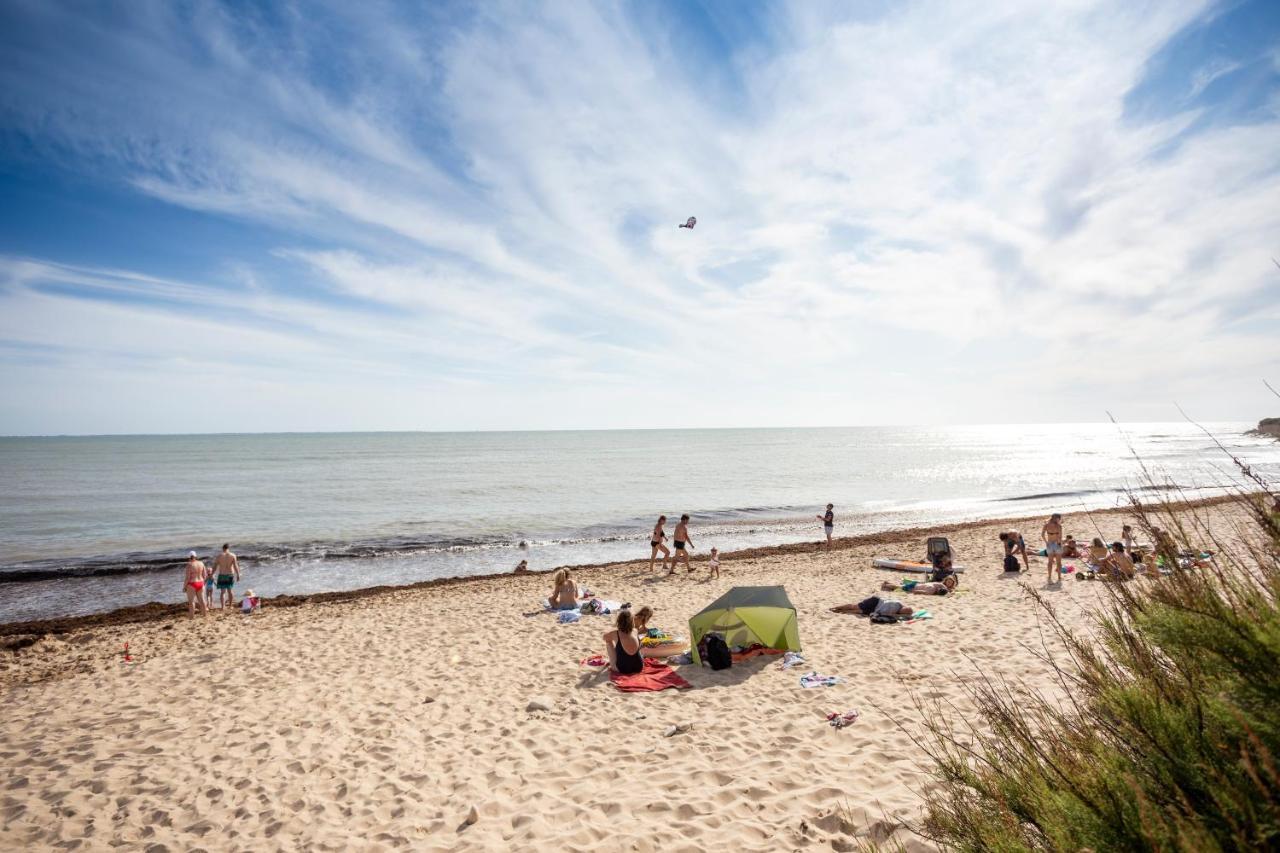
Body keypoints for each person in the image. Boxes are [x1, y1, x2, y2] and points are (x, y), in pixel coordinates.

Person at [603, 609, 644, 675]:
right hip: (639, 667)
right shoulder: (635, 631)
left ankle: (612, 662)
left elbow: (604, 637)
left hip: (623, 669)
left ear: (619, 621)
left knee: (608, 642)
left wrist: (612, 632)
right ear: (632, 621)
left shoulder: (616, 633)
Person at [213, 544, 240, 610]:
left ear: (223, 548)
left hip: (222, 575)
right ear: (228, 548)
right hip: (230, 574)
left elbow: (215, 566)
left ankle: (223, 607)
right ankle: (230, 606)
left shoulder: (219, 556)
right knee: (230, 591)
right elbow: (235, 566)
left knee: (223, 592)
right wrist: (238, 574)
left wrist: (211, 574)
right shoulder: (233, 555)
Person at [183, 551, 209, 619]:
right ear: (196, 556)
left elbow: (187, 578)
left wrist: (184, 587)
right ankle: (204, 615)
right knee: (202, 601)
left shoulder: (189, 565)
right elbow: (205, 575)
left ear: (189, 557)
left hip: (192, 584)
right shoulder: (201, 563)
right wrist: (203, 583)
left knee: (191, 602)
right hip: (201, 583)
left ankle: (191, 617)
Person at [881, 574, 957, 595]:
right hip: (914, 586)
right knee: (898, 587)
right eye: (948, 582)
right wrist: (911, 591)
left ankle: (887, 583)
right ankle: (885, 585)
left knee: (899, 586)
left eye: (950, 583)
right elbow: (918, 592)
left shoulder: (939, 585)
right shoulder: (940, 586)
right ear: (945, 581)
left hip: (916, 584)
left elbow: (950, 590)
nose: (949, 583)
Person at [1041, 513, 1063, 584]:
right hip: (1057, 544)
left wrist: (1046, 542)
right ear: (1056, 518)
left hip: (1049, 544)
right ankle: (1059, 577)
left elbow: (1042, 535)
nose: (1059, 520)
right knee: (1058, 562)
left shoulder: (1046, 525)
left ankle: (1050, 576)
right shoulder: (1059, 526)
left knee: (1050, 562)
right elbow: (1060, 537)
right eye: (1059, 518)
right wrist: (1060, 544)